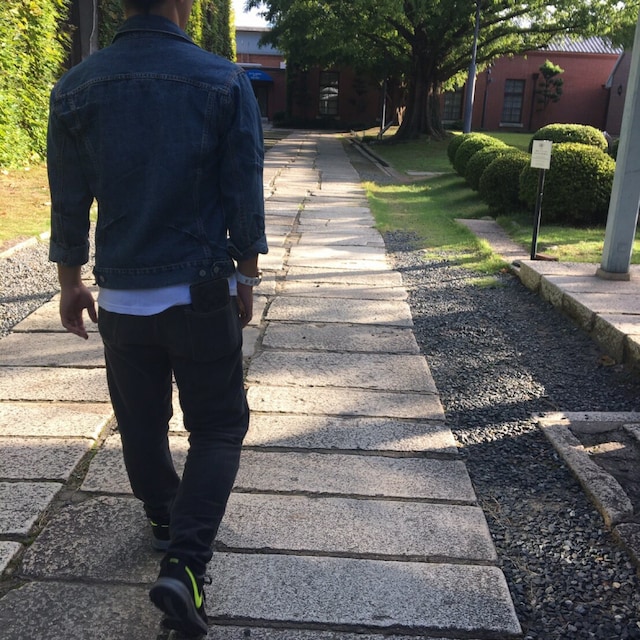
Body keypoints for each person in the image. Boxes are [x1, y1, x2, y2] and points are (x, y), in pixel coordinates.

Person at [47, 0, 267, 636]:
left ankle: (164, 516)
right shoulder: (223, 79)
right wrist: (246, 274)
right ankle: (186, 565)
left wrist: (70, 282)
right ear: (183, 4)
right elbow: (243, 186)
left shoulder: (76, 85)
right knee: (218, 426)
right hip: (200, 290)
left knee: (142, 421)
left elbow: (67, 198)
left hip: (121, 298)